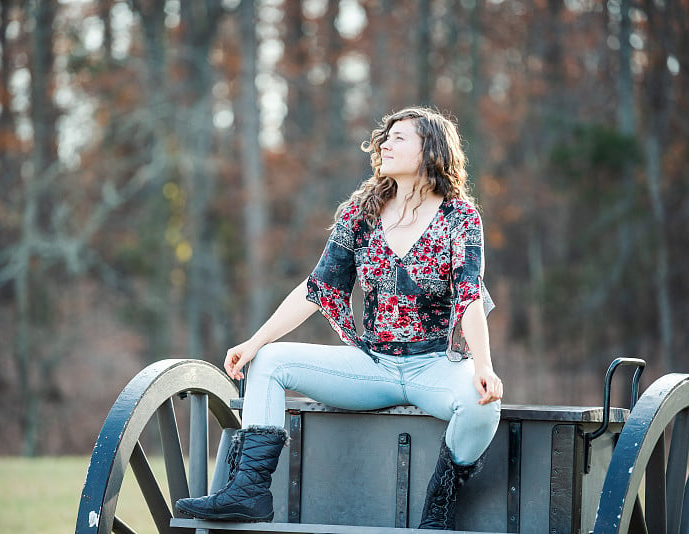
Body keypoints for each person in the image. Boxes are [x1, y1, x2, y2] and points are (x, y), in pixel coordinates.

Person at [176, 106, 503, 530]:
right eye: (385, 136)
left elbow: (469, 296)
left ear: (431, 150)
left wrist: (484, 366)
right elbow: (316, 289)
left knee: (483, 407)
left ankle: (438, 508)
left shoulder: (460, 218)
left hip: (434, 366)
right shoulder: (361, 212)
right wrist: (254, 343)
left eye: (400, 137)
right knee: (270, 362)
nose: (385, 143)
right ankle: (249, 492)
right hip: (373, 365)